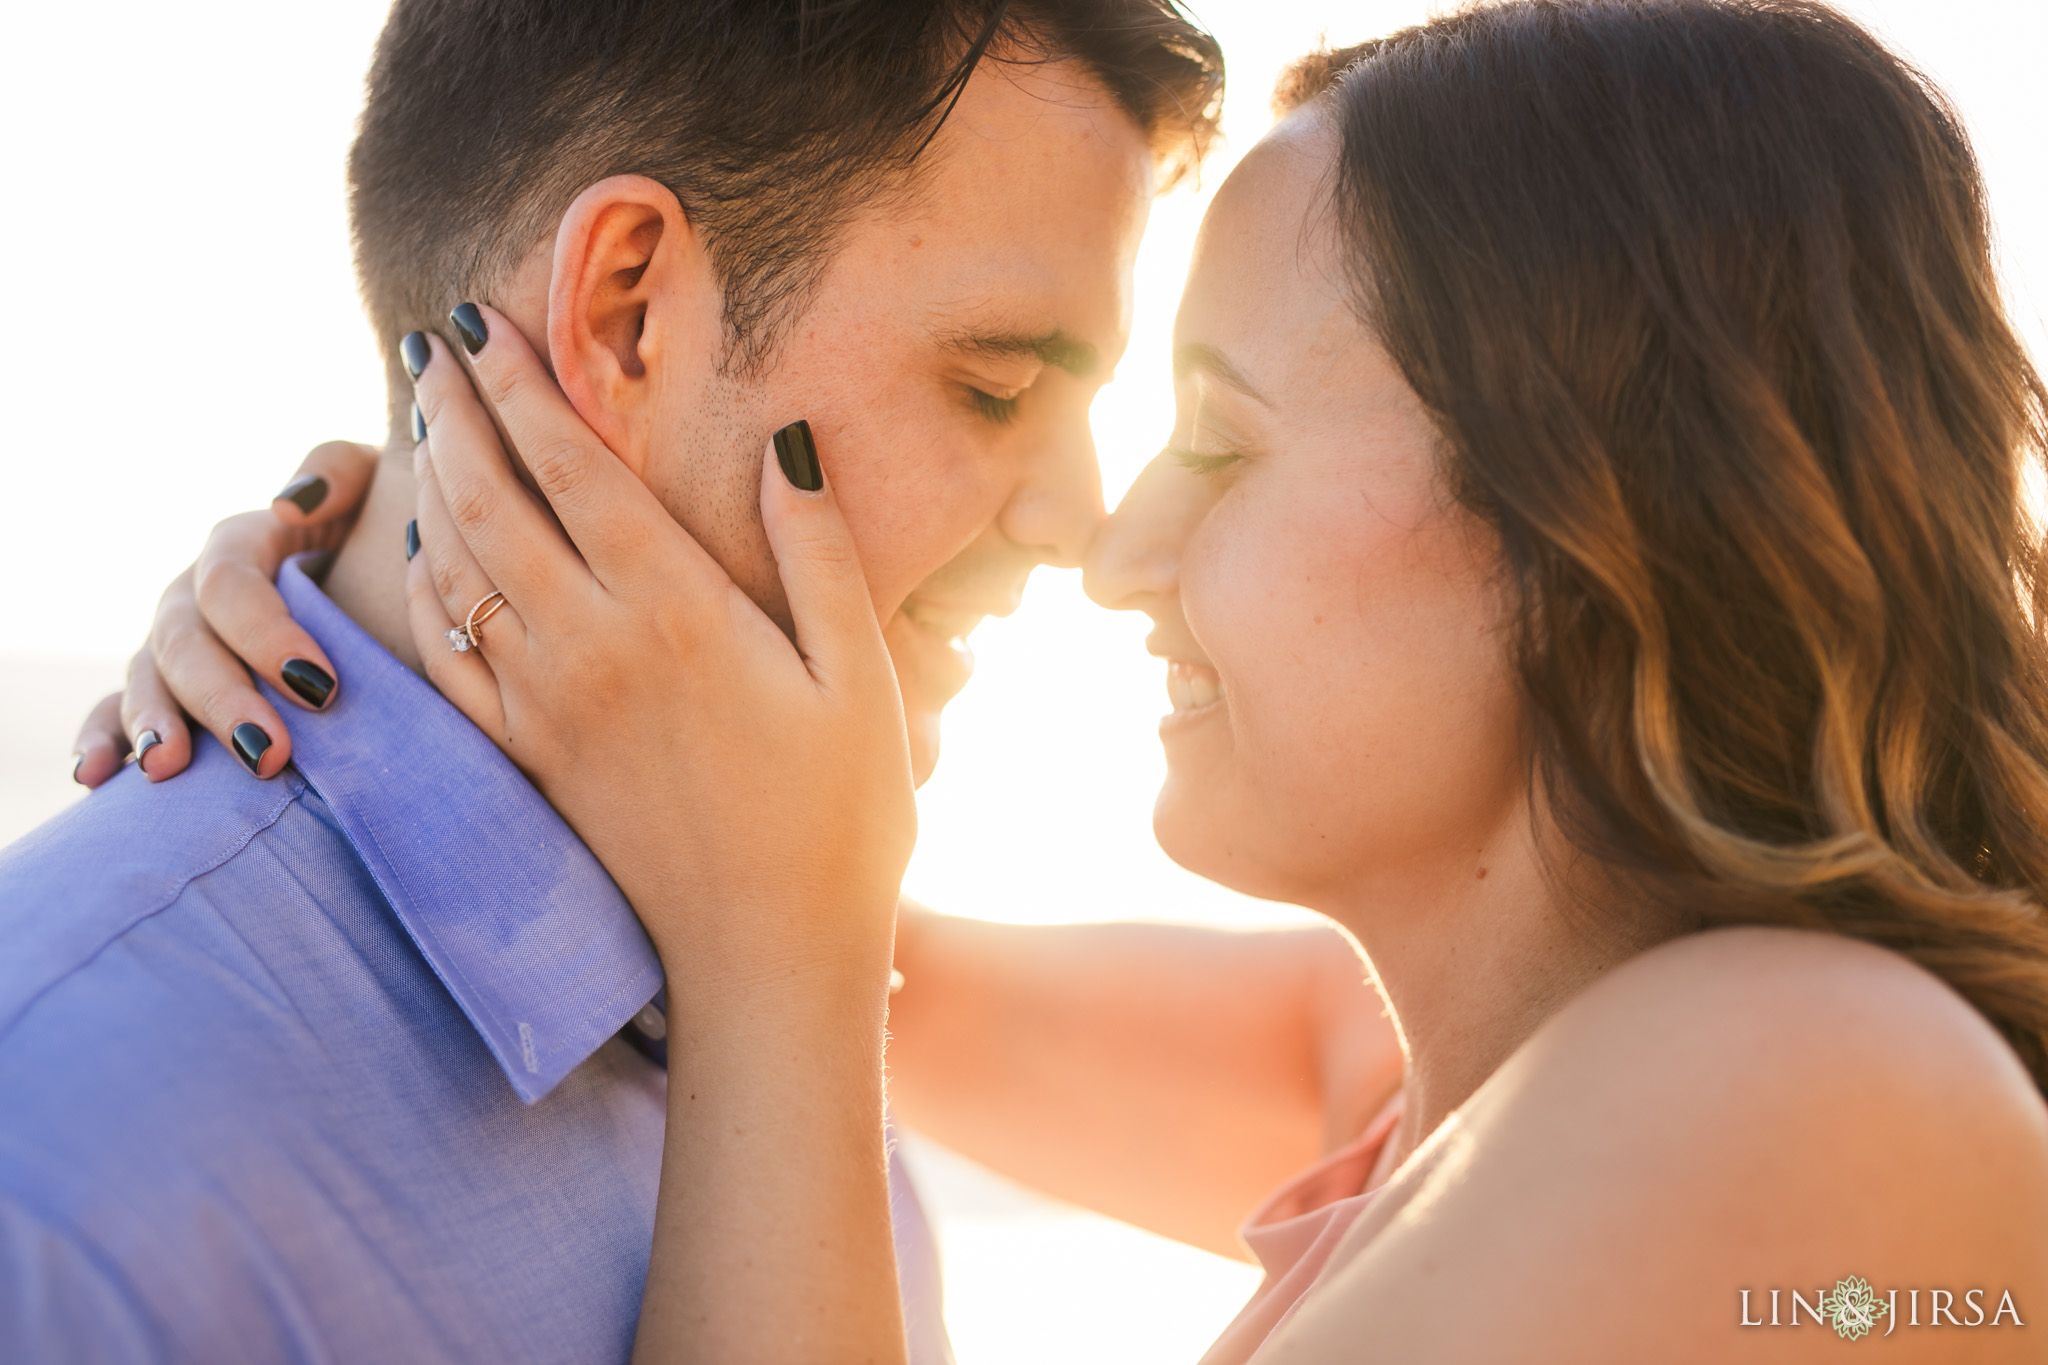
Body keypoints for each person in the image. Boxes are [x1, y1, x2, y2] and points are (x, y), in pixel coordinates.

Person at [72, 0, 2048, 1359]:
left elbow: (808, 940)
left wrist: (776, 951)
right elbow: (822, 920)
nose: (1109, 539)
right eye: (1008, 387)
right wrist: (391, 619)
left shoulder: (1798, 1082)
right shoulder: (1419, 1096)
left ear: (1590, 504)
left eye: (1224, 432)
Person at [1, 2, 1223, 1362]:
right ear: (624, 307)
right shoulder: (52, 1189)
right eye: (994, 386)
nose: (1085, 521)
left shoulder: (791, 986)